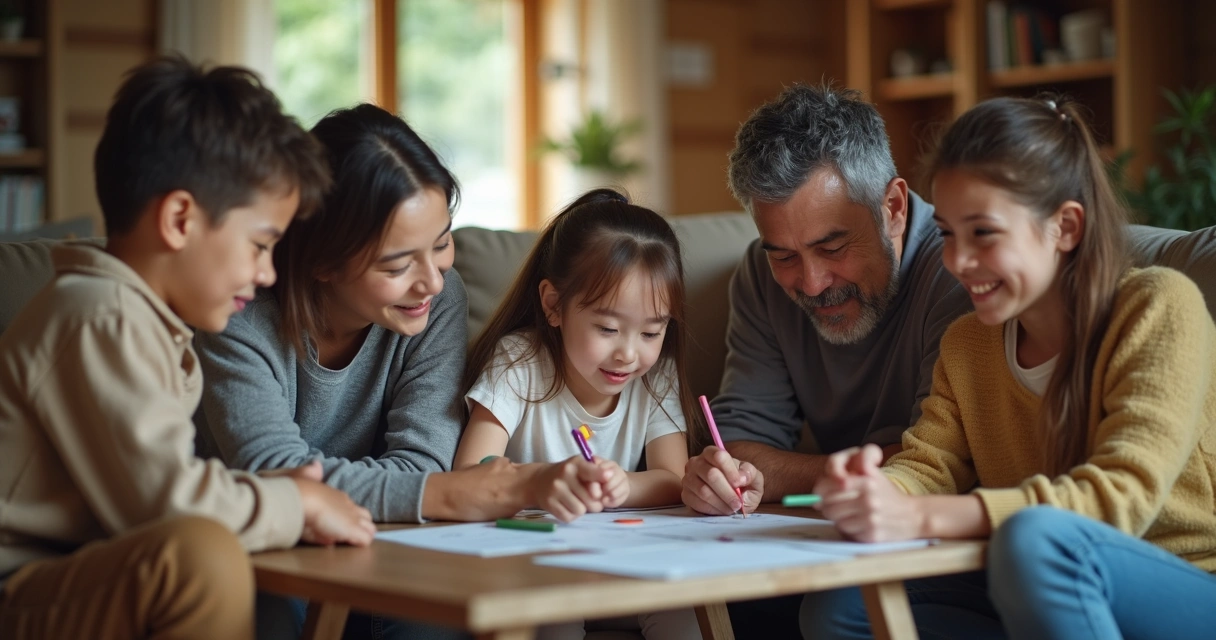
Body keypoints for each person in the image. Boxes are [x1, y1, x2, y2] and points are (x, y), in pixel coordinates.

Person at [802, 96, 1216, 640]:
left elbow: (1120, 497)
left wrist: (923, 519)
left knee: (1035, 540)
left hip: (1185, 581)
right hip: (1031, 578)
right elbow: (929, 468)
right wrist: (874, 491)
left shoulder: (1158, 306)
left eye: (984, 233)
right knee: (839, 600)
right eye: (949, 234)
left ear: (1064, 227)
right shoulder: (968, 344)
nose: (959, 261)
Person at [0, 56, 376, 640]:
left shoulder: (144, 321)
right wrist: (295, 503)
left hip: (78, 576)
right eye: (259, 245)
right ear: (179, 219)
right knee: (199, 556)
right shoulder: (101, 316)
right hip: (22, 589)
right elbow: (167, 505)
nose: (268, 273)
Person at [193, 103, 529, 640]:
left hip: (388, 546)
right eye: (397, 266)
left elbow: (424, 459)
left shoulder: (437, 304)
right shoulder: (236, 312)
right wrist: (443, 494)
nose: (432, 281)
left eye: (441, 243)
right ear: (322, 261)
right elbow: (276, 473)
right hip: (265, 549)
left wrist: (424, 487)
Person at [679, 83, 972, 638]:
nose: (811, 283)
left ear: (893, 207)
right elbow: (738, 445)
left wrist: (788, 475)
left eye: (834, 248)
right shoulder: (761, 279)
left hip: (936, 539)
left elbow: (938, 466)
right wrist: (725, 476)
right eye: (785, 255)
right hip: (827, 538)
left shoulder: (959, 271)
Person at [453, 189, 705, 640]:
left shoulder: (656, 376)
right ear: (553, 305)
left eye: (652, 331)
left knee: (682, 613)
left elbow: (674, 477)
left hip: (624, 560)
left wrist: (620, 484)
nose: (629, 354)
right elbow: (471, 469)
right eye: (607, 328)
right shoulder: (519, 362)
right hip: (536, 560)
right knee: (556, 617)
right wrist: (544, 480)